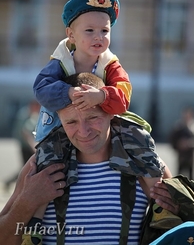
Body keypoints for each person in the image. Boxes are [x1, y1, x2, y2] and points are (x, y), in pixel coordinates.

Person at [23, 73, 184, 245]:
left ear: (111, 113)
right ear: (60, 122)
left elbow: (180, 230)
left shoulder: (142, 162)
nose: (84, 131)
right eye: (71, 122)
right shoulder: (39, 167)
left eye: (93, 117)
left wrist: (176, 212)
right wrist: (24, 205)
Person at [33, 0, 151, 143]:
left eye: (105, 30)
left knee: (138, 143)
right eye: (89, 30)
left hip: (97, 132)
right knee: (45, 160)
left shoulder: (111, 65)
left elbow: (124, 97)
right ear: (71, 35)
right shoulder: (60, 62)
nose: (98, 36)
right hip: (60, 129)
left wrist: (102, 96)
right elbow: (41, 89)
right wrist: (68, 92)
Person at [5, 100, 40, 189]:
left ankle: (11, 183)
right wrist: (33, 145)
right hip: (26, 146)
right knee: (28, 168)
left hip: (25, 144)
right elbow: (25, 132)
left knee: (26, 167)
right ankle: (19, 186)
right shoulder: (26, 115)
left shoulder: (25, 112)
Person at [169, 107, 194, 180]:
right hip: (181, 155)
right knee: (179, 176)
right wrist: (179, 144)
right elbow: (172, 139)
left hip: (190, 156)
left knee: (191, 177)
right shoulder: (179, 126)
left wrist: (189, 144)